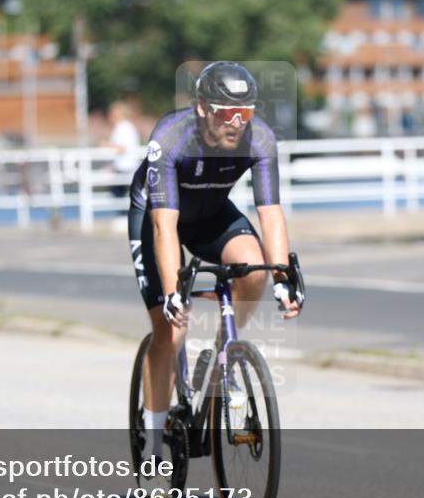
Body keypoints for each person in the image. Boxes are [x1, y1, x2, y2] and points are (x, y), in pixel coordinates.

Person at [127, 61, 304, 463]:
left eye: (246, 112)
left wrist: (282, 279)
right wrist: (173, 292)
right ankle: (154, 444)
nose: (237, 122)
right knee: (169, 332)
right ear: (203, 108)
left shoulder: (259, 138)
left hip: (210, 215)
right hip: (157, 218)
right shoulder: (170, 138)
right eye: (227, 112)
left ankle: (226, 350)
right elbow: (164, 227)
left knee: (254, 267)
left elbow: (271, 213)